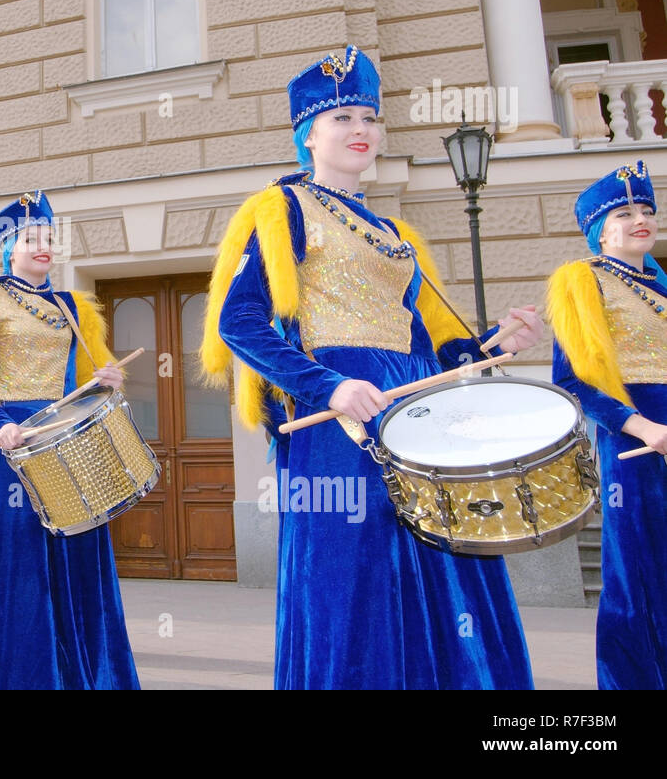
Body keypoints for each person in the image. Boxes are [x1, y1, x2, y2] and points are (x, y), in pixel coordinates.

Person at [200, 45, 543, 689]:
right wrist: (328, 387)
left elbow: (433, 345)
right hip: (341, 420)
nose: (362, 131)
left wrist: (496, 342)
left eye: (370, 117)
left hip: (418, 411)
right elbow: (237, 323)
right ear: (308, 134)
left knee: (446, 557)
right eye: (343, 120)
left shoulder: (396, 232)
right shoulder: (284, 210)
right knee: (352, 573)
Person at [0, 191, 139, 689]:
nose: (43, 246)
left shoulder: (72, 305)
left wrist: (106, 377)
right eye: (31, 238)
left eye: (49, 238)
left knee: (72, 551)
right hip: (11, 440)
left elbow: (83, 379)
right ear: (8, 246)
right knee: (17, 556)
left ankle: (79, 672)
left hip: (62, 438)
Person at [547, 160, 667, 689]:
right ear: (599, 227)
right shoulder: (583, 281)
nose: (640, 218)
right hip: (636, 442)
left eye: (646, 208)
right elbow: (572, 380)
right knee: (640, 572)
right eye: (624, 212)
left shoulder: (661, 286)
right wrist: (642, 428)